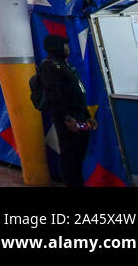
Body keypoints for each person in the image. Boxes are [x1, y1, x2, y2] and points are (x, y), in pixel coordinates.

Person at [36, 34, 94, 188]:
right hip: (67, 118)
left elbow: (76, 91)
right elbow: (54, 94)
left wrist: (87, 115)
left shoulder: (66, 65)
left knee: (78, 154)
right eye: (64, 45)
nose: (68, 48)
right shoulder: (49, 66)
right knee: (70, 154)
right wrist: (67, 118)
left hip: (79, 115)